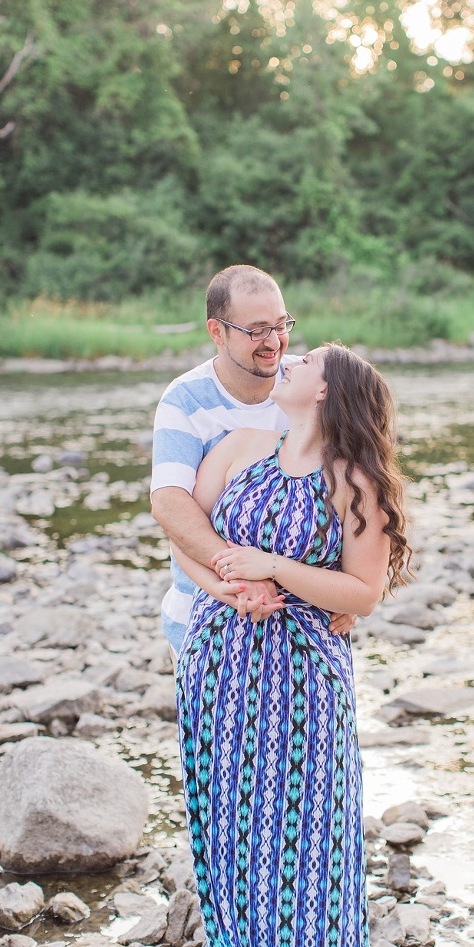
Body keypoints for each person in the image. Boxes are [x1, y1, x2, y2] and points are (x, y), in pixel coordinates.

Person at [172, 343, 412, 947]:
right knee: (233, 808)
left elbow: (362, 591)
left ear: (325, 394)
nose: (290, 360)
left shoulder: (354, 481)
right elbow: (190, 543)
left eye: (306, 361)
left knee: (315, 812)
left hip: (306, 665)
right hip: (221, 653)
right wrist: (227, 585)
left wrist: (271, 567)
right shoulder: (241, 445)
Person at [150, 263, 354, 656]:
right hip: (207, 617)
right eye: (256, 330)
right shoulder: (185, 399)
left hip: (306, 627)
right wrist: (241, 578)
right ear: (217, 332)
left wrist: (347, 586)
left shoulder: (307, 384)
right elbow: (169, 502)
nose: (274, 341)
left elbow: (350, 490)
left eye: (281, 325)